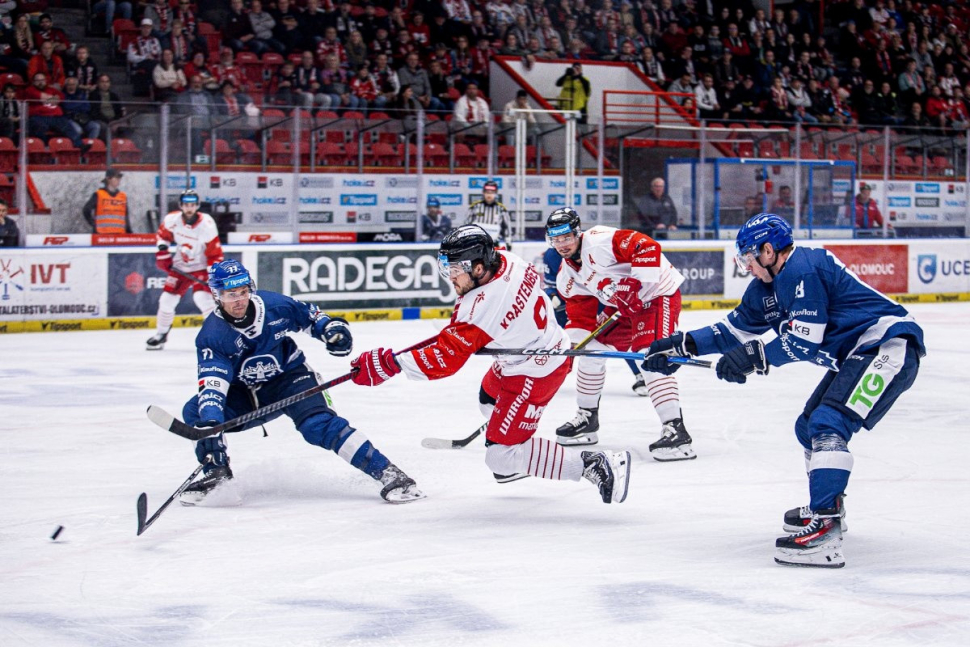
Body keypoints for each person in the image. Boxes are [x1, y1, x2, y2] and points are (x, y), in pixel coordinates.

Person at [642, 213, 924, 568]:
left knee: (828, 423)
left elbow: (805, 340)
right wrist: (681, 347)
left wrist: (752, 356)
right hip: (857, 354)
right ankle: (829, 505)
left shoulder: (803, 268)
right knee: (809, 426)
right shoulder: (766, 289)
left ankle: (826, 528)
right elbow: (731, 332)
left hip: (888, 347)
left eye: (748, 257)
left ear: (768, 249)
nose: (747, 266)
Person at [350, 225, 631, 503]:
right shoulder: (509, 260)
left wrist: (388, 364)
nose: (451, 278)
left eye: (456, 271)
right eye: (447, 270)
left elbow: (445, 359)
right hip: (530, 351)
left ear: (479, 267)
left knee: (500, 456)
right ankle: (514, 443)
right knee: (488, 399)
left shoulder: (480, 308)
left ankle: (596, 464)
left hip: (536, 370)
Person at [176, 259, 425, 505]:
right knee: (198, 411)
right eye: (231, 295)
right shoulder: (212, 336)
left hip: (291, 378)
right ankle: (217, 473)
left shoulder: (274, 306)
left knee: (318, 425)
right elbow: (213, 388)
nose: (240, 300)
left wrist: (333, 331)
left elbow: (313, 318)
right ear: (216, 295)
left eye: (243, 291)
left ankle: (390, 473)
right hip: (246, 394)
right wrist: (210, 426)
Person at [546, 208, 693, 460]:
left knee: (651, 356)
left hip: (657, 294)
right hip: (622, 307)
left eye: (566, 238)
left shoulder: (600, 240)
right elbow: (581, 319)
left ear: (577, 233)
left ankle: (676, 430)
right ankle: (587, 418)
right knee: (592, 351)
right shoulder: (567, 276)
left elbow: (648, 247)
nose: (561, 244)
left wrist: (635, 287)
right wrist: (569, 350)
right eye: (555, 239)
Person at [146, 191, 223, 350]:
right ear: (181, 206)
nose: (189, 208)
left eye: (193, 205)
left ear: (197, 206)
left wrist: (213, 275)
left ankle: (215, 337)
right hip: (181, 266)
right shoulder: (172, 220)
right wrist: (162, 253)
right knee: (167, 300)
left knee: (203, 300)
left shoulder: (206, 224)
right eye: (186, 205)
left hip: (201, 266)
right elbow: (163, 237)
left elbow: (215, 254)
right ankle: (161, 334)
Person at [465, 180, 512, 246]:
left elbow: (506, 227)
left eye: (492, 192)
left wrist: (508, 242)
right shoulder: (475, 207)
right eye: (487, 192)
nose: (489, 195)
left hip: (494, 244)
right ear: (483, 193)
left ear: (496, 194)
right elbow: (466, 225)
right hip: (476, 244)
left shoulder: (501, 209)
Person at [82, 168, 130, 234]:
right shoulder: (99, 195)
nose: (119, 180)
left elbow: (126, 217)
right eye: (116, 178)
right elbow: (86, 210)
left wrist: (129, 233)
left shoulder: (122, 196)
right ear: (108, 179)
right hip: (102, 236)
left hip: (119, 236)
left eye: (119, 178)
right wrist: (94, 224)